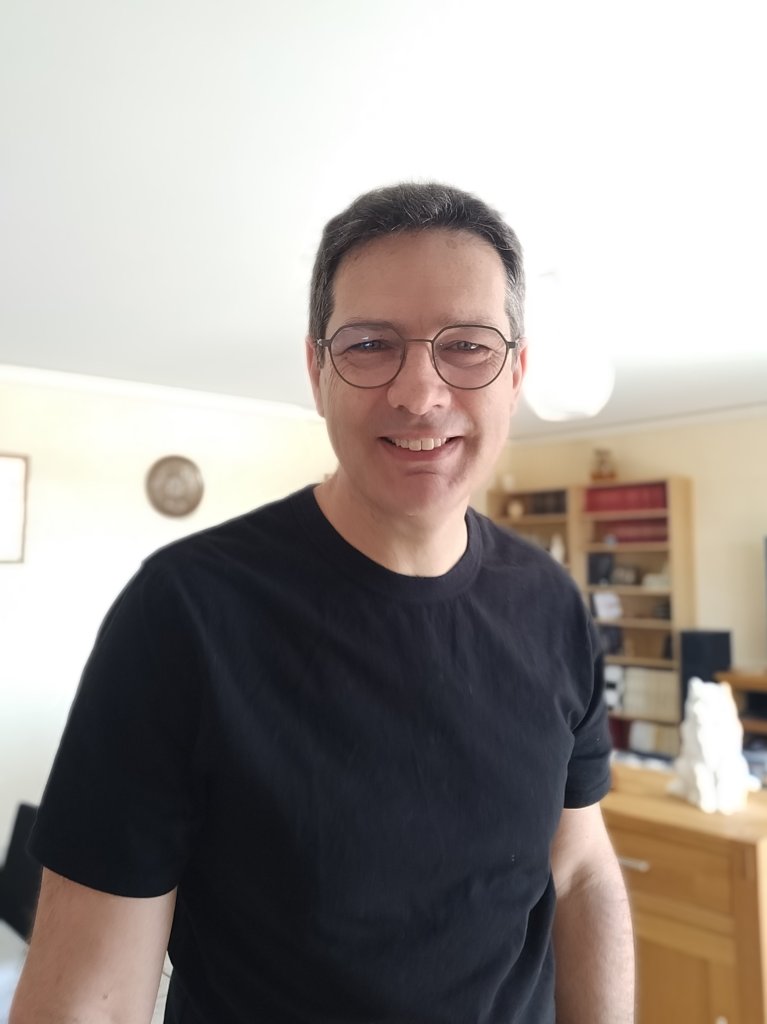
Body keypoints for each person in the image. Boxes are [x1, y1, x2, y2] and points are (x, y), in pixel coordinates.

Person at [11, 182, 634, 1023]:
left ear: (516, 372)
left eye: (467, 346)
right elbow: (91, 1002)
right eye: (371, 344)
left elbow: (582, 865)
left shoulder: (552, 605)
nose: (421, 393)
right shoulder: (184, 614)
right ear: (316, 370)